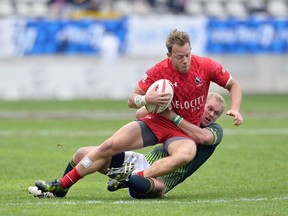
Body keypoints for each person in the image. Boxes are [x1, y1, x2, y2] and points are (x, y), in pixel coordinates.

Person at [34, 29, 243, 198]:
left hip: (181, 132)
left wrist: (235, 108)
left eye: (188, 55)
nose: (185, 60)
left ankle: (132, 178)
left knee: (187, 153)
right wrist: (148, 100)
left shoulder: (205, 66)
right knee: (108, 146)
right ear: (169, 55)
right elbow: (131, 100)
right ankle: (62, 185)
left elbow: (233, 85)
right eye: (179, 57)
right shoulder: (158, 71)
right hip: (157, 122)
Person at [29, 92, 225, 198]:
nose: (211, 114)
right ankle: (62, 188)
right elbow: (139, 115)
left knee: (144, 186)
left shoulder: (215, 130)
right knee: (82, 153)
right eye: (209, 108)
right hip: (141, 162)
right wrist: (156, 104)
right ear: (200, 104)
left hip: (162, 180)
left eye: (216, 113)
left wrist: (172, 115)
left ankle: (126, 179)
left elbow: (203, 138)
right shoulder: (180, 116)